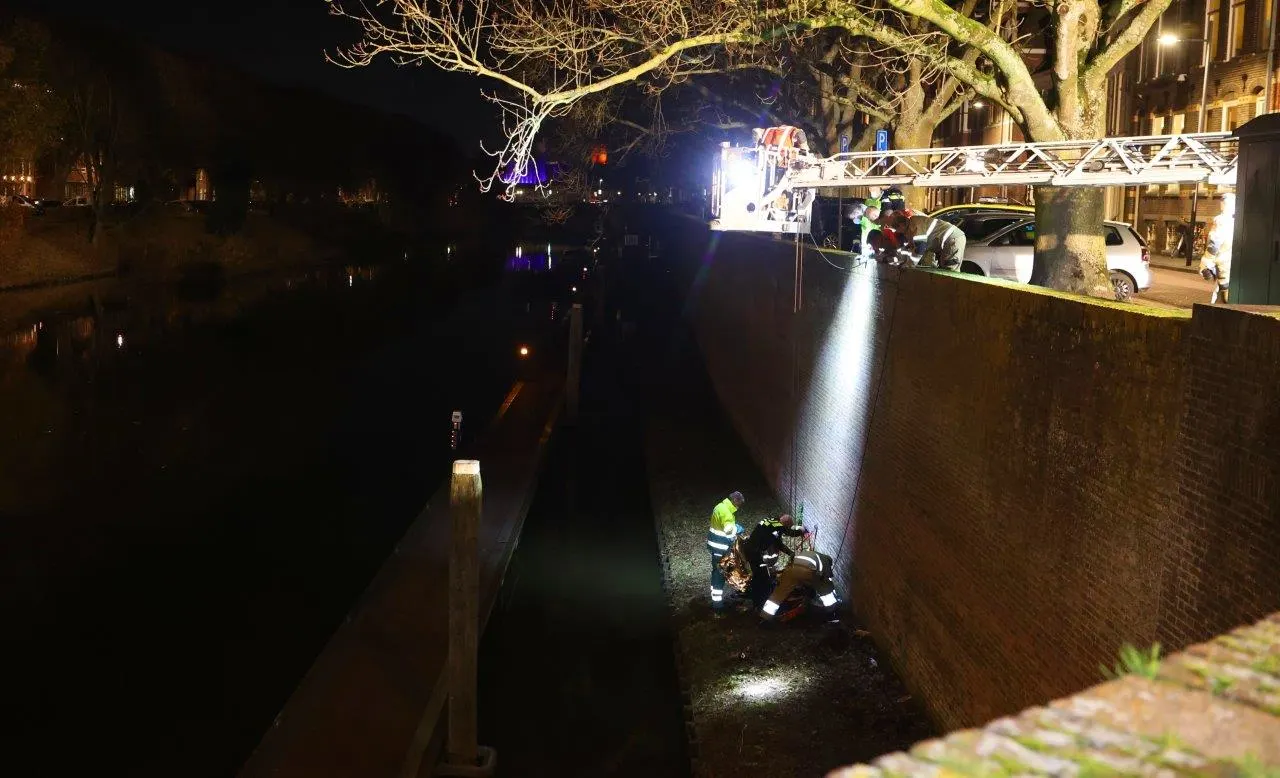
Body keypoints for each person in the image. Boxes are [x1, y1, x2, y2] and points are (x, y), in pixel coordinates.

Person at [742, 514, 809, 607]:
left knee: (760, 575)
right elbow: (784, 538)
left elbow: (782, 536)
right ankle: (759, 602)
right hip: (754, 553)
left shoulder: (772, 520)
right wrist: (801, 531)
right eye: (787, 526)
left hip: (749, 548)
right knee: (762, 576)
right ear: (785, 524)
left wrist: (790, 552)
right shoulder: (777, 528)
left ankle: (755, 595)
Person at [760, 550, 840, 623]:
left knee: (778, 594)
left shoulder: (809, 553)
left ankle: (765, 618)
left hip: (792, 570)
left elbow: (792, 562)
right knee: (826, 591)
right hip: (809, 571)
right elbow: (827, 577)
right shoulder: (826, 560)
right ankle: (832, 615)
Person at [706, 491, 745, 611]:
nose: (738, 507)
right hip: (720, 548)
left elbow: (721, 525)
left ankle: (714, 598)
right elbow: (729, 530)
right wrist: (737, 528)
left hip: (714, 546)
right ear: (734, 501)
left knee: (715, 572)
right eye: (738, 505)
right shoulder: (727, 513)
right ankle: (717, 606)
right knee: (720, 574)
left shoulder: (720, 506)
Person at [887, 211, 965, 270]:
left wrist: (909, 265)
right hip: (948, 240)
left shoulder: (915, 225)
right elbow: (911, 248)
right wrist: (905, 262)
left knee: (950, 270)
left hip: (952, 239)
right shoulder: (911, 226)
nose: (898, 232)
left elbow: (920, 248)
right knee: (944, 269)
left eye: (897, 229)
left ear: (901, 225)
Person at [1200, 194, 1234, 304]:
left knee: (1221, 298)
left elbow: (1214, 245)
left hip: (1223, 266)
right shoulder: (1239, 221)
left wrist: (1205, 265)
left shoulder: (1221, 221)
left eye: (1222, 203)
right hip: (1231, 265)